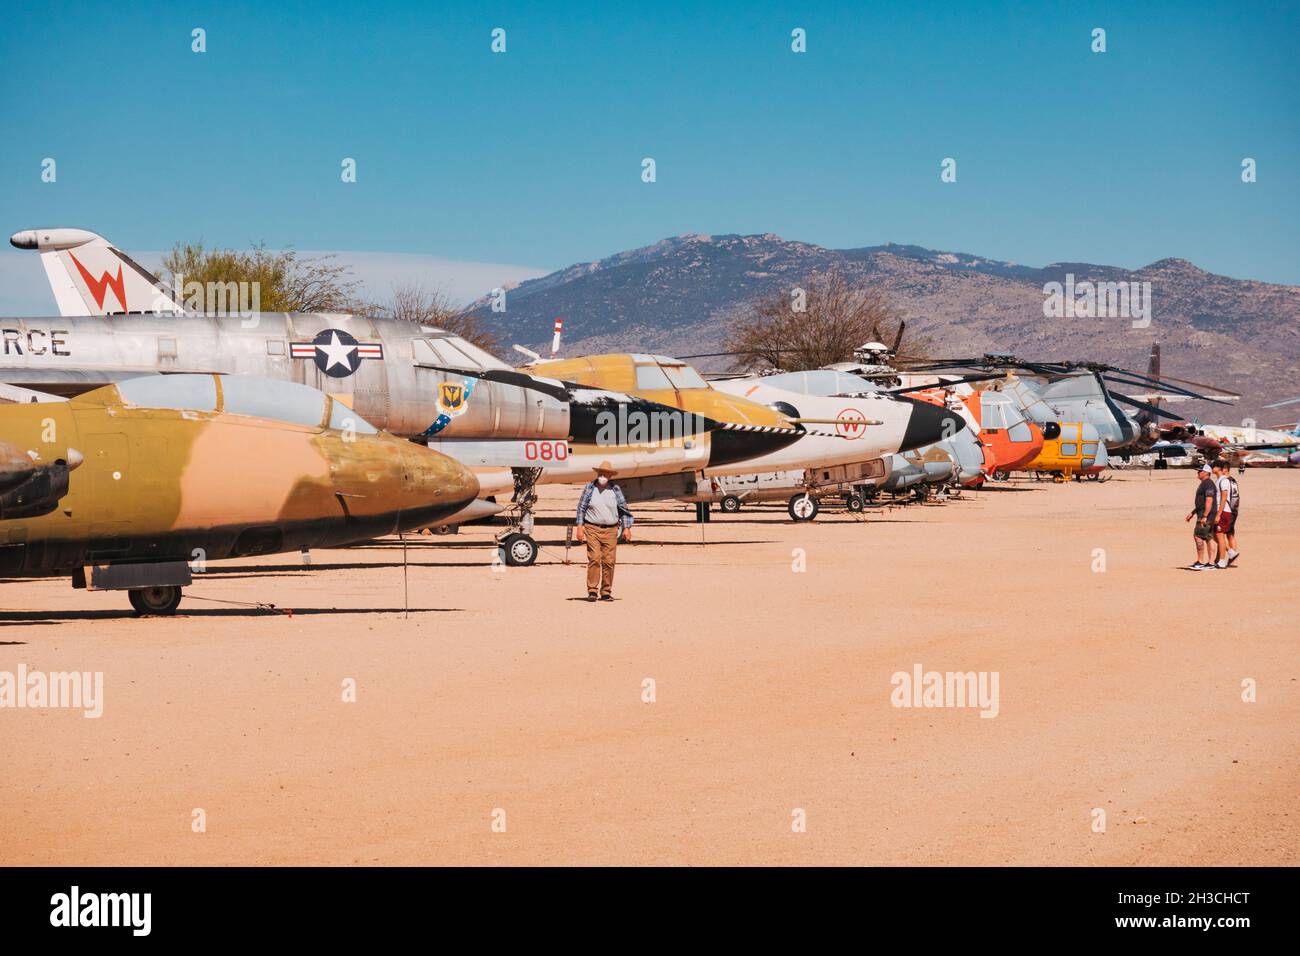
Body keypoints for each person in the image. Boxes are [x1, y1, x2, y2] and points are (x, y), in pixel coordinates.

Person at [574, 461, 634, 601]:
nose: (602, 476)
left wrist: (627, 528)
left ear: (610, 476)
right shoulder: (589, 488)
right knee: (594, 558)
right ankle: (592, 590)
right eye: (600, 474)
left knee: (609, 561)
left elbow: (623, 509)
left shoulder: (615, 490)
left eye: (605, 474)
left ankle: (606, 591)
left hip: (611, 530)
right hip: (592, 528)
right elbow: (581, 508)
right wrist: (579, 527)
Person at [1184, 462, 1217, 569]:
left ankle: (1201, 561)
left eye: (1200, 471)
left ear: (1206, 473)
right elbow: (1202, 502)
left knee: (1198, 536)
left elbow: (1209, 500)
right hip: (1204, 513)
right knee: (1208, 537)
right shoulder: (1205, 483)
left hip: (1206, 514)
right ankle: (1211, 562)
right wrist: (1193, 512)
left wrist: (1205, 516)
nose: (1198, 473)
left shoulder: (1208, 484)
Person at [1212, 459, 1240, 568]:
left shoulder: (1225, 481)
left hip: (1227, 510)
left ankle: (1225, 559)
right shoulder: (1231, 480)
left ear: (1224, 469)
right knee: (1224, 535)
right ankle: (1228, 555)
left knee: (1224, 535)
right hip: (1231, 510)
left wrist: (1220, 513)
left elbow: (1225, 498)